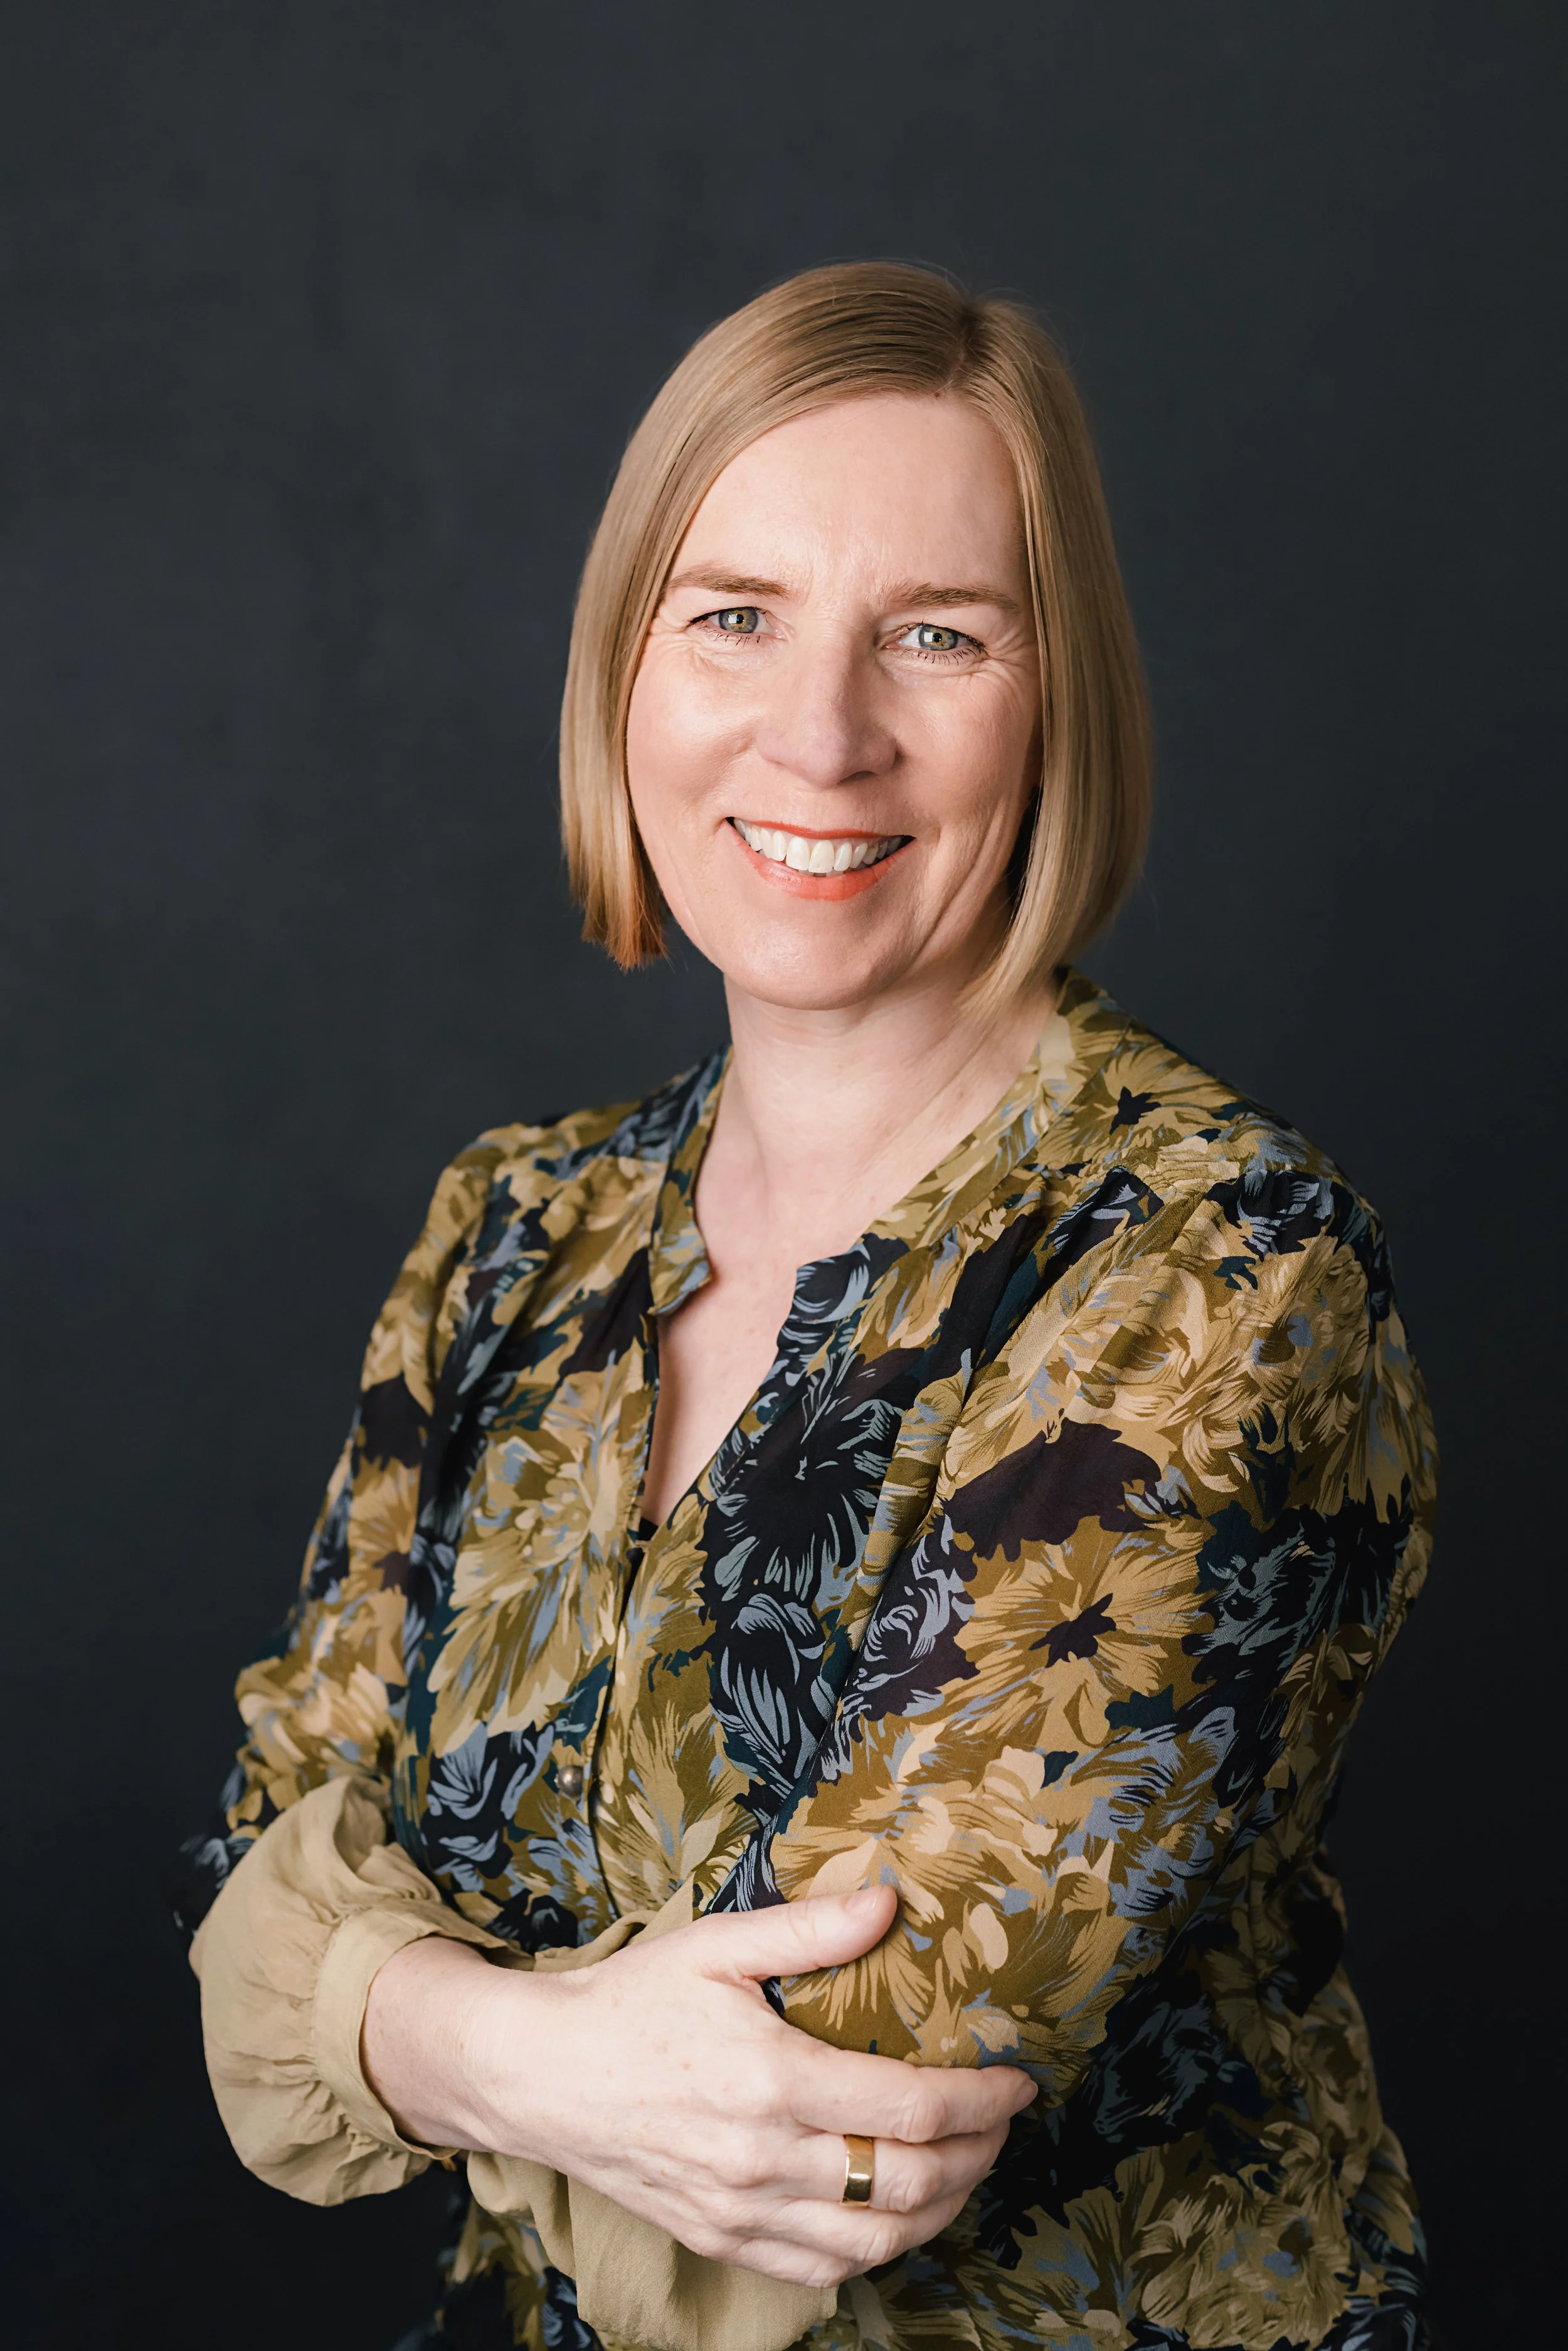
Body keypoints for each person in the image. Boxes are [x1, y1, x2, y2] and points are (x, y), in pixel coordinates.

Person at [175, 263, 1436, 2351]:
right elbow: (248, 1869)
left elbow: (822, 2139)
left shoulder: (1217, 1265)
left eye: (935, 634)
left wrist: (403, 2020)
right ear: (622, 673)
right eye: (732, 614)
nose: (821, 731)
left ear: (1059, 703)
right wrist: (508, 2051)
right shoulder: (518, 1228)